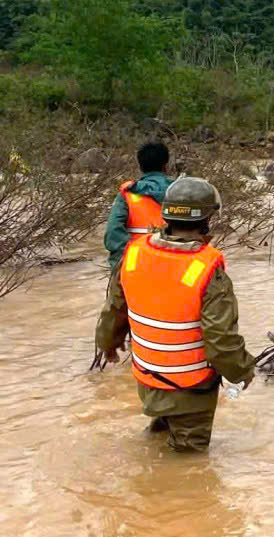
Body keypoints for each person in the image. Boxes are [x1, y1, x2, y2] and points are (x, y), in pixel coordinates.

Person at [95, 177, 256, 452]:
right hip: (191, 388)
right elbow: (220, 340)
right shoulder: (207, 269)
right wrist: (242, 372)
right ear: (207, 218)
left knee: (158, 438)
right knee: (188, 462)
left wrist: (107, 345)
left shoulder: (134, 254)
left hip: (149, 379)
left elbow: (114, 310)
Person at [104, 141, 174, 270]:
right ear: (166, 166)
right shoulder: (182, 192)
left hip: (137, 267)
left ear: (140, 166)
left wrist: (126, 264)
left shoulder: (128, 194)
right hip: (173, 264)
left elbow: (113, 234)